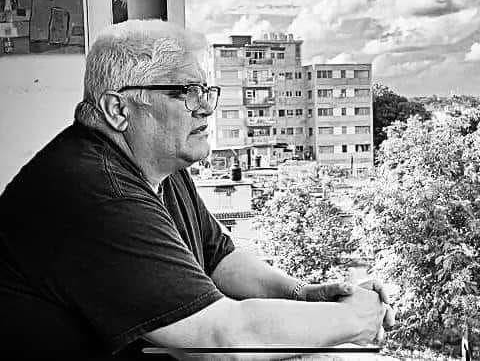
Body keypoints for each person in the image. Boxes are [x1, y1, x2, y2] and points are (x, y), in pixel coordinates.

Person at [0, 20, 394, 360]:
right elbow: (221, 341)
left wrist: (301, 295)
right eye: (185, 92)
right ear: (118, 110)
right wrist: (354, 319)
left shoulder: (158, 164)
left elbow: (217, 258)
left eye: (205, 90)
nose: (206, 107)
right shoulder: (96, 191)